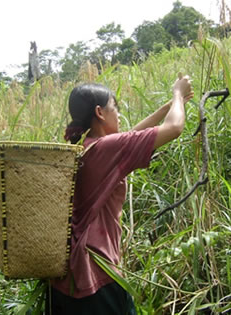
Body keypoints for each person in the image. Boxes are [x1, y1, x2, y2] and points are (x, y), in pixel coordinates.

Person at [48, 74, 193, 314]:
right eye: (114, 107)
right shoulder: (106, 148)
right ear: (100, 112)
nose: (118, 114)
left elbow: (131, 136)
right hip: (95, 275)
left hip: (66, 278)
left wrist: (170, 105)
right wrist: (178, 94)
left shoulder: (88, 147)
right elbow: (174, 128)